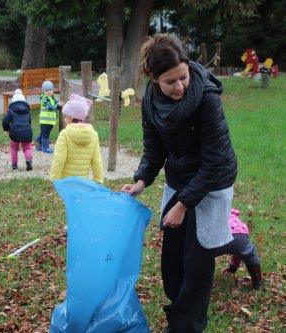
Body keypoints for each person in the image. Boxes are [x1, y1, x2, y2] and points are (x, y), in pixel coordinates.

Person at [121, 34, 238, 332]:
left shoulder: (206, 98)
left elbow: (216, 161)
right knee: (173, 260)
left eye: (183, 77)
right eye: (170, 82)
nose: (180, 87)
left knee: (198, 262)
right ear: (153, 78)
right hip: (179, 179)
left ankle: (187, 325)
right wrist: (142, 180)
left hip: (212, 183)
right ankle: (180, 310)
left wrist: (183, 205)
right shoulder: (151, 100)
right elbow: (154, 149)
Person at [50, 94, 103, 183]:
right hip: (83, 182)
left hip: (66, 183)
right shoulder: (93, 134)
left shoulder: (65, 134)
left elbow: (59, 159)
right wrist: (98, 180)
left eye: (66, 116)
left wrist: (54, 179)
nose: (64, 120)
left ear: (71, 117)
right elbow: (97, 160)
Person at [217, 208, 263, 289]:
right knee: (250, 256)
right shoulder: (235, 218)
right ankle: (257, 282)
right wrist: (234, 266)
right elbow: (238, 250)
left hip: (218, 236)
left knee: (205, 256)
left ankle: (199, 278)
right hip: (240, 236)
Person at [2, 89, 33, 171]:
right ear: (24, 101)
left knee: (14, 148)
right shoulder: (27, 111)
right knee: (27, 147)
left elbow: (5, 120)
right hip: (27, 131)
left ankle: (14, 165)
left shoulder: (11, 111)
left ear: (13, 102)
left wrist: (7, 129)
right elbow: (29, 121)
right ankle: (28, 159)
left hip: (14, 132)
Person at [35, 80, 65, 153]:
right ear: (43, 91)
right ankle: (45, 147)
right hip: (45, 120)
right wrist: (58, 105)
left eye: (50, 90)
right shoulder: (44, 98)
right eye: (47, 90)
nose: (49, 91)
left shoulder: (51, 97)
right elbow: (50, 107)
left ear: (53, 90)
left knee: (43, 133)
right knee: (46, 134)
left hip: (50, 120)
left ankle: (39, 143)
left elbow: (54, 103)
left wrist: (58, 103)